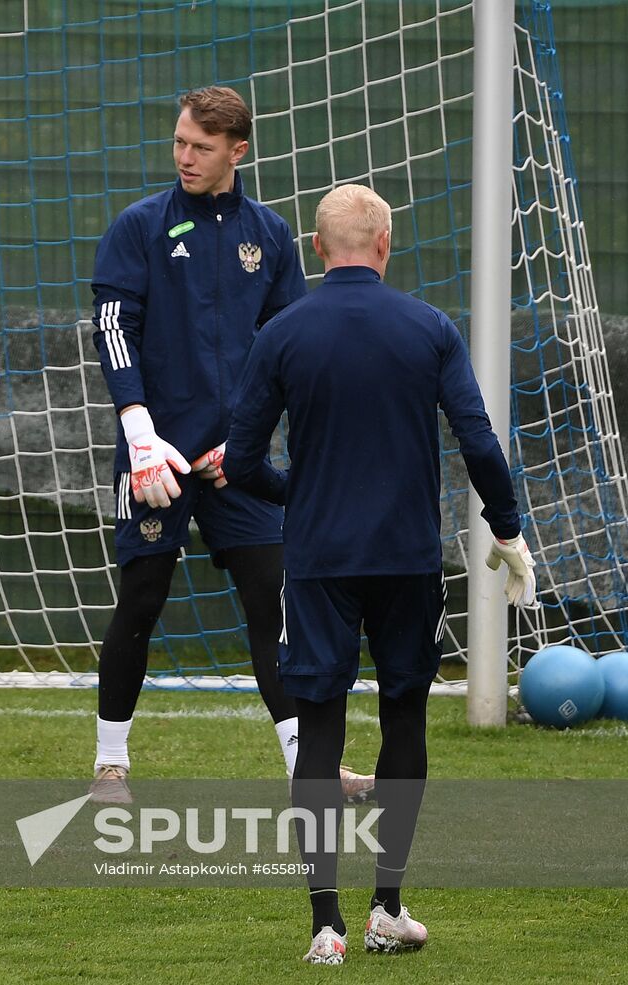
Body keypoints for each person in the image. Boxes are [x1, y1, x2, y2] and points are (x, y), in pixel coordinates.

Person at [224, 184, 538, 964]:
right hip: (406, 559)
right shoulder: (429, 328)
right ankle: (386, 905)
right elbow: (477, 438)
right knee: (405, 717)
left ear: (320, 248)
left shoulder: (284, 332)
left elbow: (239, 462)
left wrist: (299, 492)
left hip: (321, 561)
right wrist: (507, 528)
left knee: (320, 725)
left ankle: (323, 923)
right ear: (386, 245)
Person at [87, 85, 373, 804]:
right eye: (181, 142)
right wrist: (140, 432)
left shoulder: (271, 236)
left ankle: (310, 769)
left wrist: (246, 441)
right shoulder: (139, 226)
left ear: (237, 151)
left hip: (235, 461)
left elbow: (289, 348)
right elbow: (113, 327)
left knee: (273, 599)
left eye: (202, 147)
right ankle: (110, 765)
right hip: (154, 455)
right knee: (143, 595)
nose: (185, 157)